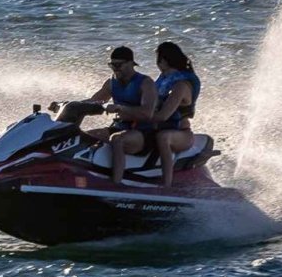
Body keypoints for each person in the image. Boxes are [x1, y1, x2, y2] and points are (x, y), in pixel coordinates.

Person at [81, 45, 157, 185]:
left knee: (117, 139)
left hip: (143, 133)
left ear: (131, 64)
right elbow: (93, 102)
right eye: (112, 65)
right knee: (84, 136)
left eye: (118, 65)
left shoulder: (145, 83)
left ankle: (116, 183)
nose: (115, 68)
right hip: (120, 127)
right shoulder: (111, 83)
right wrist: (68, 105)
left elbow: (147, 113)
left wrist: (120, 108)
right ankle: (85, 176)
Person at [150, 42, 201, 187]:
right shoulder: (164, 79)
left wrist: (135, 114)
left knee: (163, 137)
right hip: (155, 128)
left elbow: (163, 116)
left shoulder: (181, 85)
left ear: (164, 60)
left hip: (181, 134)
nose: (158, 63)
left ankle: (167, 184)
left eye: (158, 59)